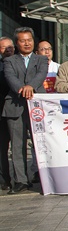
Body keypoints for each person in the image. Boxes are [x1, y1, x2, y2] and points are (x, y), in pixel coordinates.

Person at [2, 27, 48, 194]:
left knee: (40, 143)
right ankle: (21, 180)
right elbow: (10, 78)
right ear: (17, 43)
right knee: (17, 145)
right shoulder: (9, 61)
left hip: (37, 105)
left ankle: (44, 177)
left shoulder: (41, 59)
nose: (27, 43)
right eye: (23, 40)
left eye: (29, 40)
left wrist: (31, 86)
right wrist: (23, 88)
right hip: (15, 105)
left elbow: (41, 75)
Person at [0, 37, 13, 190]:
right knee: (2, 147)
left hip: (18, 109)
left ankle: (20, 178)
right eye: (4, 48)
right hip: (1, 111)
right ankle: (4, 179)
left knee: (18, 147)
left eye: (10, 47)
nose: (7, 50)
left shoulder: (20, 63)